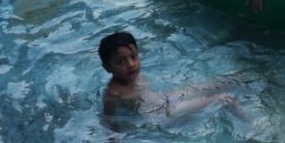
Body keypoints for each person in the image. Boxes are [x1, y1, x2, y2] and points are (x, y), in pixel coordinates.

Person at [99, 31, 240, 118]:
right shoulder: (113, 93)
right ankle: (255, 129)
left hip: (166, 99)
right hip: (164, 115)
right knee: (225, 98)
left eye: (133, 57)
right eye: (120, 62)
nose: (130, 64)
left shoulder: (133, 77)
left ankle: (244, 80)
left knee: (223, 82)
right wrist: (114, 139)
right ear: (107, 68)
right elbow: (108, 119)